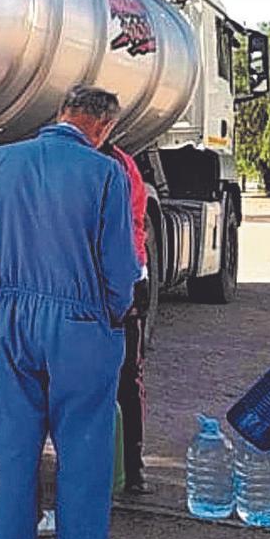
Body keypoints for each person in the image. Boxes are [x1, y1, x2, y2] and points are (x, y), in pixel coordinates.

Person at [0, 86, 140, 539]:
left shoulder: (1, 161)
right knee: (83, 454)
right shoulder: (107, 173)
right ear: (103, 128)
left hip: (15, 320)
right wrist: (116, 314)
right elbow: (120, 266)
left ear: (61, 113)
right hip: (83, 326)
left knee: (15, 452)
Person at [101, 140, 154, 496]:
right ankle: (131, 468)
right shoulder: (122, 163)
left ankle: (127, 467)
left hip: (118, 282)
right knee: (126, 378)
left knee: (119, 378)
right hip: (129, 280)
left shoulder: (112, 166)